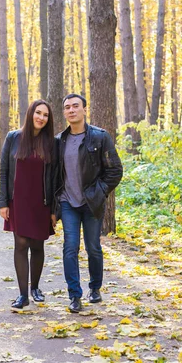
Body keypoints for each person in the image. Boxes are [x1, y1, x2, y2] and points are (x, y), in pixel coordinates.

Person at [55, 93, 123, 313]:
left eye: (76, 106)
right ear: (64, 112)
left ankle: (95, 288)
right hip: (68, 203)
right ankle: (75, 295)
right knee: (70, 248)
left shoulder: (100, 137)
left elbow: (115, 170)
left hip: (92, 204)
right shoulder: (58, 141)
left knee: (93, 248)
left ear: (84, 109)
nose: (71, 110)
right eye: (67, 107)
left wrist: (99, 192)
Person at [0, 99, 57, 309]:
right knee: (21, 245)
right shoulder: (13, 138)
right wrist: (3, 202)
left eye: (45, 115)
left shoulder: (50, 143)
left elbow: (54, 178)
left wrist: (53, 208)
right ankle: (23, 294)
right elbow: (4, 170)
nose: (41, 118)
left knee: (37, 245)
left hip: (41, 202)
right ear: (30, 113)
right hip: (18, 201)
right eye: (38, 113)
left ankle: (36, 289)